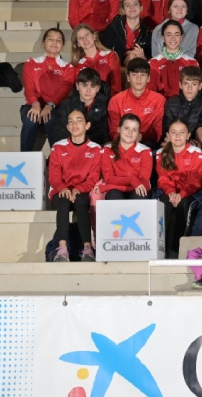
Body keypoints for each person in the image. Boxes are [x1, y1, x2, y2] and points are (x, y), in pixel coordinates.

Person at [47, 108, 102, 262]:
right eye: (70, 121)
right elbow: (54, 175)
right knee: (64, 200)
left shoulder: (96, 149)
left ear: (87, 125)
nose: (74, 124)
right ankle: (62, 249)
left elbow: (93, 177)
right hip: (60, 192)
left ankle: (87, 249)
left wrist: (79, 189)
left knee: (81, 200)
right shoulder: (58, 147)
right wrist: (62, 188)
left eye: (79, 120)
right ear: (67, 127)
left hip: (81, 192)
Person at [156, 119, 202, 258]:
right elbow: (163, 179)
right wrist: (171, 193)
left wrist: (181, 194)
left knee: (185, 205)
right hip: (168, 191)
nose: (178, 136)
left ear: (188, 135)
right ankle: (161, 248)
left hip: (189, 192)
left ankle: (177, 249)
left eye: (182, 132)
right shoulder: (161, 153)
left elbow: (195, 180)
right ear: (168, 135)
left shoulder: (196, 153)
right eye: (174, 132)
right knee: (163, 204)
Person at [21, 27, 75, 152]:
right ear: (43, 43)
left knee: (52, 118)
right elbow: (29, 87)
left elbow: (64, 90)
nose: (54, 43)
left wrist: (50, 105)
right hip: (32, 105)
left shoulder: (68, 67)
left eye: (58, 40)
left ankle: (57, 159)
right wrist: (35, 104)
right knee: (31, 118)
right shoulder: (31, 63)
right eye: (50, 39)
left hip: (56, 107)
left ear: (63, 45)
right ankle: (24, 157)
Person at [107, 58, 166, 150]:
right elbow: (114, 131)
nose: (139, 79)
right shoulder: (116, 100)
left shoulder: (159, 100)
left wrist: (141, 136)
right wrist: (127, 139)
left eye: (143, 75)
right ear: (128, 77)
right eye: (134, 75)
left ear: (148, 78)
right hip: (122, 142)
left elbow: (158, 131)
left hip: (148, 143)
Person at [163, 66, 202, 160]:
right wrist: (184, 138)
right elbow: (168, 123)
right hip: (178, 136)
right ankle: (170, 169)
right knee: (167, 139)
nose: (189, 88)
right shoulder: (172, 102)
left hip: (196, 139)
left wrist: (189, 137)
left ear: (200, 86)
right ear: (180, 85)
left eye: (194, 84)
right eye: (186, 83)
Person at [49, 68, 109, 147]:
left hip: (94, 148)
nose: (88, 90)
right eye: (84, 86)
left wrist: (86, 144)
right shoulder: (66, 104)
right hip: (70, 148)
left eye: (93, 86)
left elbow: (104, 134)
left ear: (98, 88)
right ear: (77, 86)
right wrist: (77, 143)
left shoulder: (104, 105)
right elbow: (59, 132)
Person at [99, 113, 153, 200]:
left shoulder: (145, 151)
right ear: (119, 129)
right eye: (126, 128)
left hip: (136, 189)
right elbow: (109, 179)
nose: (130, 133)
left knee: (139, 194)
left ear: (138, 133)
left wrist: (107, 187)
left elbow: (143, 181)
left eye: (134, 130)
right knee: (113, 194)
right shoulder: (108, 149)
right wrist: (132, 180)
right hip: (116, 190)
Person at [148, 21, 199, 99]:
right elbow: (151, 92)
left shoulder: (192, 62)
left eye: (177, 34)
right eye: (168, 35)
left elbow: (194, 92)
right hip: (161, 106)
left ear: (181, 37)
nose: (173, 38)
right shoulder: (153, 63)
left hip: (185, 106)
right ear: (162, 37)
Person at [100, 0, 152, 67]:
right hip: (117, 61)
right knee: (131, 56)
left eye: (135, 4)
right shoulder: (113, 27)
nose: (132, 7)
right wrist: (126, 53)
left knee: (134, 57)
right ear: (123, 11)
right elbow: (104, 51)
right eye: (127, 5)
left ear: (141, 8)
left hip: (140, 62)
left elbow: (151, 56)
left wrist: (143, 57)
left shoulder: (146, 30)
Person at [72, 23, 121, 97]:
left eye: (87, 35)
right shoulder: (77, 66)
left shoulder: (110, 55)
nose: (84, 39)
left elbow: (116, 84)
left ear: (94, 36)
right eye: (80, 38)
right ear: (78, 44)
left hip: (110, 101)